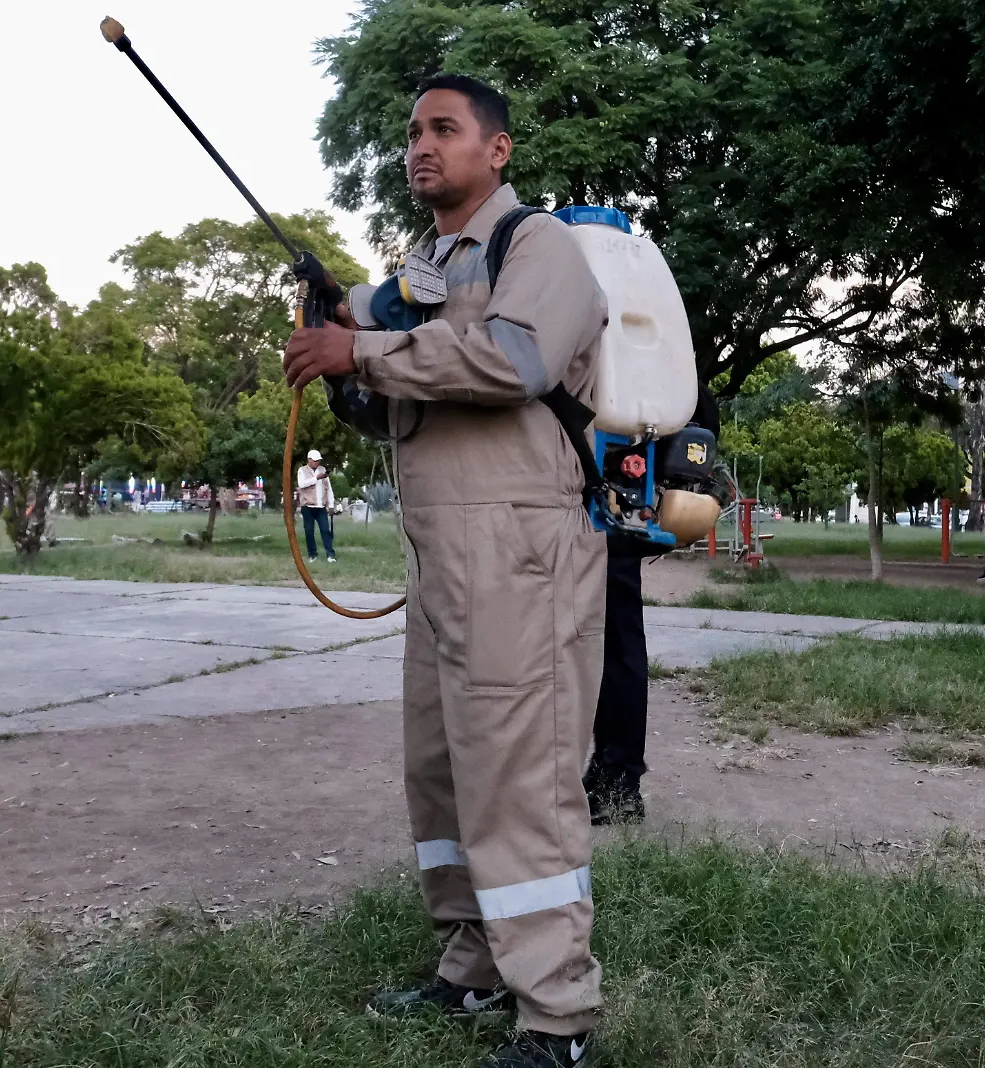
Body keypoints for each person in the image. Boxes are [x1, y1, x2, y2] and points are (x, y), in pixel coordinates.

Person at [283, 74, 608, 1068]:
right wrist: (347, 360)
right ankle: (469, 969)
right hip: (439, 555)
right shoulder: (419, 271)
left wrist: (367, 347)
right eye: (412, 130)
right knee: (442, 770)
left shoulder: (537, 246)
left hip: (519, 549)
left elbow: (512, 362)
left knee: (519, 776)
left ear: (496, 150)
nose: (421, 145)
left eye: (444, 129)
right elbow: (395, 408)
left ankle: (556, 1018)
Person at [583, 387, 722, 826]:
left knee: (593, 645)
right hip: (618, 498)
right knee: (619, 643)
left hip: (581, 493)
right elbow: (703, 411)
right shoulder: (658, 334)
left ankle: (611, 781)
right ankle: (617, 781)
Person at [297, 448, 337, 563]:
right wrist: (316, 478)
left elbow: (328, 489)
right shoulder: (302, 470)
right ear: (309, 460)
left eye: (318, 460)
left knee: (325, 531)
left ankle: (330, 555)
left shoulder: (323, 470)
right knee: (309, 532)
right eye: (315, 461)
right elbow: (302, 484)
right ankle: (312, 555)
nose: (317, 463)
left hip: (321, 507)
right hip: (308, 507)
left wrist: (331, 505)